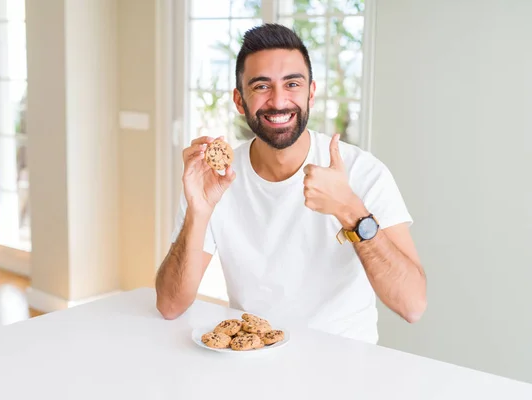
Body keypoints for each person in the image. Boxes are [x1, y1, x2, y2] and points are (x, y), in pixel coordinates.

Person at [155, 23, 426, 344]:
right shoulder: (215, 180)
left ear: (311, 92)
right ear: (240, 101)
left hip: (344, 367)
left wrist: (351, 211)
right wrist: (198, 212)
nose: (279, 100)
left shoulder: (364, 173)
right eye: (261, 86)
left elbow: (413, 306)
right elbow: (170, 305)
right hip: (254, 358)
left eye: (292, 84)